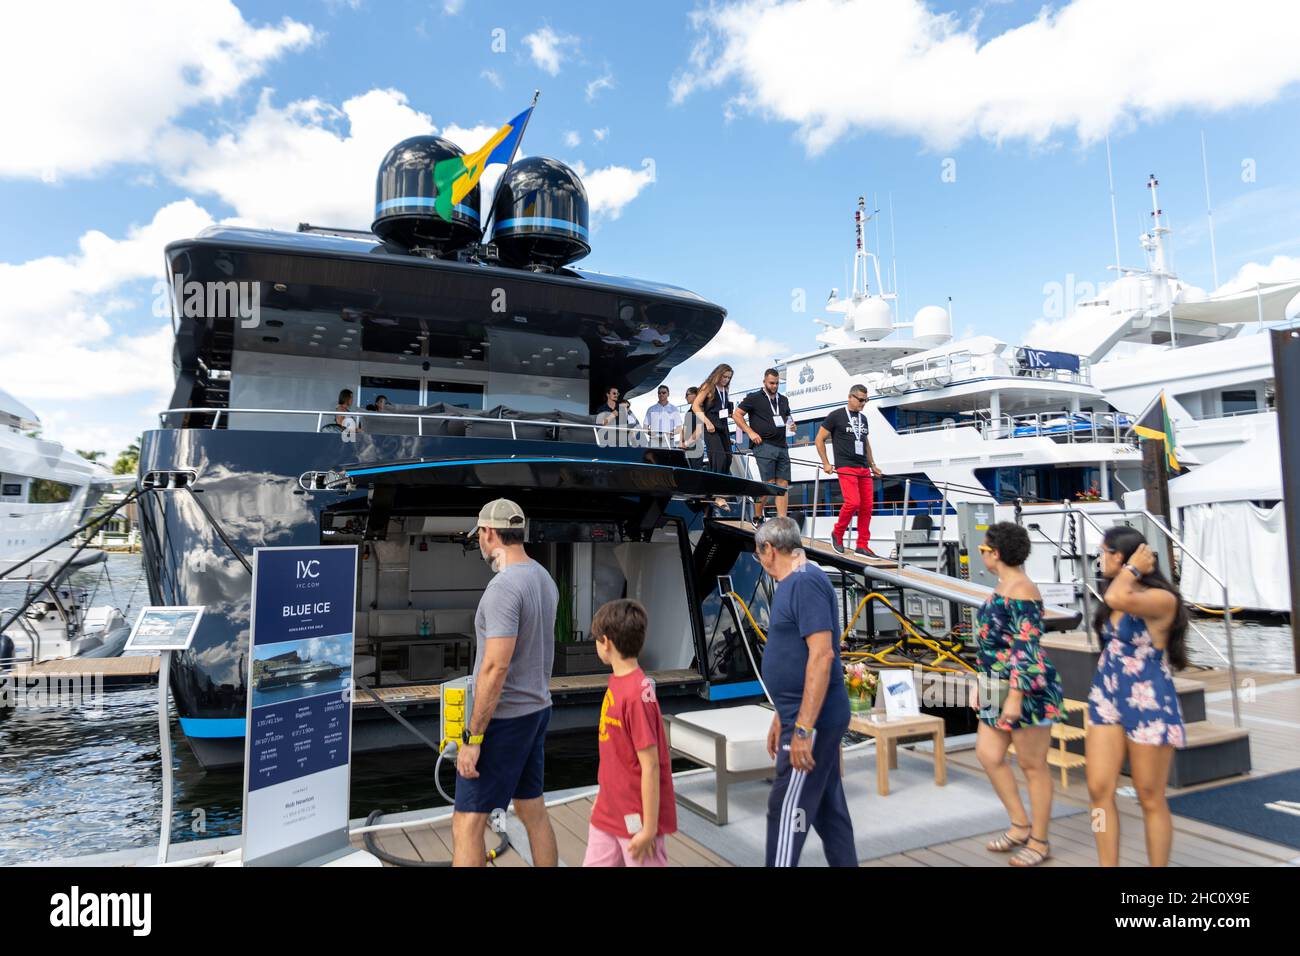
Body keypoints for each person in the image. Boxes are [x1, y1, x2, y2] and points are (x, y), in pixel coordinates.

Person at [452, 499, 560, 867]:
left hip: (504, 721)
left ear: (489, 533)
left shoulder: (503, 588)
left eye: (479, 535)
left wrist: (473, 738)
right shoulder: (543, 578)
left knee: (467, 822)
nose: (480, 542)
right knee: (533, 811)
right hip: (537, 710)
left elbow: (495, 669)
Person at [755, 518, 857, 867]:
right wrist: (780, 715)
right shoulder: (796, 582)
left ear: (768, 550)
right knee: (829, 812)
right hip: (800, 714)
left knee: (785, 811)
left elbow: (821, 654)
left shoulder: (804, 582)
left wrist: (801, 729)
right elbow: (798, 659)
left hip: (812, 722)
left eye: (759, 554)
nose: (760, 561)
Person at [1085, 526, 1188, 867]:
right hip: (1108, 696)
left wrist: (1133, 569)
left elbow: (1117, 599)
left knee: (1149, 795)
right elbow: (1113, 601)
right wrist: (1128, 573)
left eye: (1105, 552)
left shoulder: (1161, 599)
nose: (1100, 558)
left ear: (1121, 557)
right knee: (1099, 790)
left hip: (1148, 700)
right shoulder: (1117, 590)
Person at [972, 522, 1063, 867]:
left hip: (1025, 688)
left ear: (996, 554)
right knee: (988, 754)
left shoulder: (1023, 589)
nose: (982, 553)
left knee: (1032, 764)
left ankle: (1039, 841)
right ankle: (1019, 824)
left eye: (983, 549)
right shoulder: (1003, 585)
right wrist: (981, 684)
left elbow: (1026, 648)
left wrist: (1014, 696)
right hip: (995, 683)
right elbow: (992, 643)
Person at [583, 599, 677, 867]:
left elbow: (650, 765)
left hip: (637, 817)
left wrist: (648, 829)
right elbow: (616, 756)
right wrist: (604, 797)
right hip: (608, 809)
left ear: (606, 643)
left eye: (596, 640)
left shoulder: (638, 693)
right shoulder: (618, 682)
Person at [814, 384, 881, 555]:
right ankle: (837, 534)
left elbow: (865, 443)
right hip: (845, 465)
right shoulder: (836, 416)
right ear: (850, 397)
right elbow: (819, 439)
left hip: (863, 467)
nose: (863, 403)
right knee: (853, 502)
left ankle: (862, 545)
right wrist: (826, 463)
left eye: (866, 400)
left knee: (867, 506)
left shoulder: (864, 418)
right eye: (860, 400)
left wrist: (873, 465)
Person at [735, 368, 794, 523]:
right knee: (768, 483)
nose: (774, 386)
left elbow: (787, 417)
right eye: (771, 383)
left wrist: (791, 424)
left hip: (782, 445)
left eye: (777, 383)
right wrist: (750, 432)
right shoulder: (754, 397)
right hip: (763, 444)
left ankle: (782, 520)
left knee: (783, 483)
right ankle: (757, 516)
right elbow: (737, 414)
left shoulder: (783, 399)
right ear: (764, 382)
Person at [691, 364, 735, 476]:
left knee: (728, 457)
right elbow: (695, 406)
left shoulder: (725, 389)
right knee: (719, 458)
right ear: (718, 375)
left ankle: (722, 486)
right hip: (711, 427)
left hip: (723, 426)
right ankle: (715, 488)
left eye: (729, 377)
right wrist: (707, 422)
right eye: (724, 376)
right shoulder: (708, 386)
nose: (726, 379)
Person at [644, 385, 683, 450]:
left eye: (664, 392)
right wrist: (651, 434)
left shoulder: (674, 409)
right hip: (654, 442)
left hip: (669, 441)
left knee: (668, 460)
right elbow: (645, 427)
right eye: (659, 393)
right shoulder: (651, 409)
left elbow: (679, 428)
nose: (661, 394)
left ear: (668, 394)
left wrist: (668, 435)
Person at [681, 386, 704, 467]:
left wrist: (686, 443)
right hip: (687, 448)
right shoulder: (689, 412)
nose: (685, 397)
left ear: (695, 395)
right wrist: (682, 442)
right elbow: (684, 428)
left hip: (696, 448)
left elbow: (699, 430)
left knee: (695, 473)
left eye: (687, 394)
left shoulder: (700, 410)